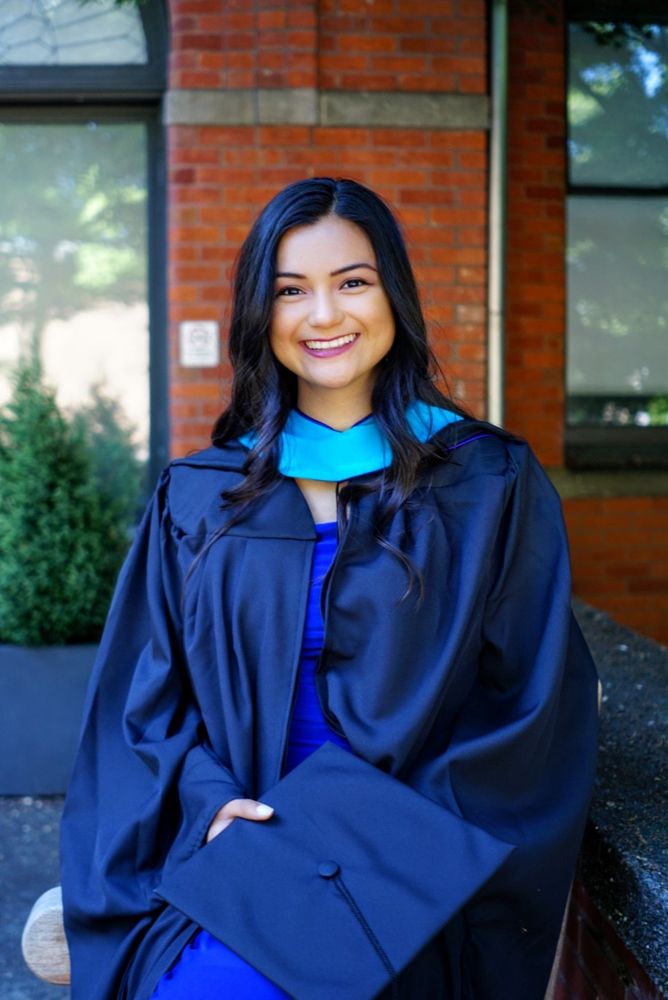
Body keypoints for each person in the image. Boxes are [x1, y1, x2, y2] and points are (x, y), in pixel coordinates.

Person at [60, 177, 599, 1000]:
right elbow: (147, 699)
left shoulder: (487, 483)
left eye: (352, 281)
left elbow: (529, 702)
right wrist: (208, 800)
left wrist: (376, 835)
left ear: (394, 294)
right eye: (290, 291)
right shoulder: (203, 495)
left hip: (406, 859)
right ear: (259, 313)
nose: (324, 315)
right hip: (243, 845)